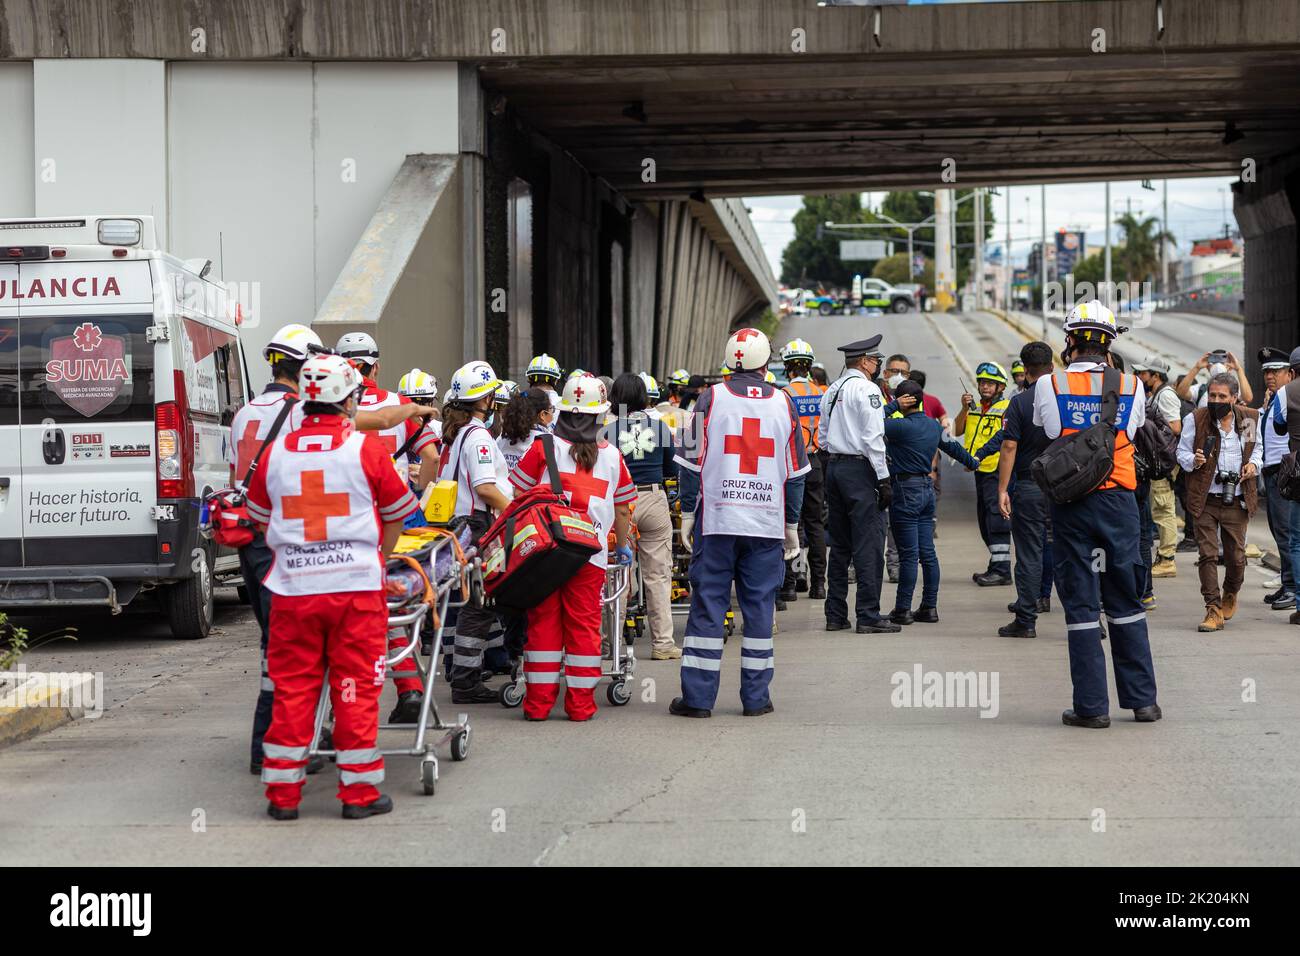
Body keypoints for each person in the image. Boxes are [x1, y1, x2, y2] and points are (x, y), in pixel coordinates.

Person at [232, 325, 436, 774]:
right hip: (352, 587)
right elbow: (397, 511)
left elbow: (261, 516)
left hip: (286, 578)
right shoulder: (359, 447)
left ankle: (279, 783)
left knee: (290, 679)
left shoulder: (265, 437)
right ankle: (358, 787)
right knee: (354, 685)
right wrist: (377, 557)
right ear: (347, 398)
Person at [1033, 299, 1161, 728]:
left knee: (1082, 602)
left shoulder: (1050, 384)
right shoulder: (1130, 385)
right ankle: (1143, 702)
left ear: (1069, 342)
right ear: (1108, 345)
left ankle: (1092, 708)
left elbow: (1051, 431)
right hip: (1119, 500)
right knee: (1126, 596)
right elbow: (1131, 429)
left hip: (1072, 502)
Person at [671, 328, 809, 717]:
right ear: (767, 364)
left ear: (730, 362)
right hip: (765, 524)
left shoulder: (709, 399)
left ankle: (697, 700)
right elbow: (795, 473)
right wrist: (791, 524)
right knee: (760, 608)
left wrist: (686, 512)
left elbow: (688, 463)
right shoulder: (784, 403)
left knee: (708, 606)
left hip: (716, 521)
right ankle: (756, 699)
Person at [510, 375, 635, 721]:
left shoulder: (542, 448)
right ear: (600, 416)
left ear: (562, 410)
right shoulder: (612, 457)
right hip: (590, 554)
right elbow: (624, 507)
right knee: (584, 626)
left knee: (543, 625)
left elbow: (515, 495)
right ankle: (580, 706)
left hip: (545, 554)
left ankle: (537, 706)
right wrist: (620, 547)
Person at [439, 360, 514, 703]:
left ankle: (463, 674)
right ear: (484, 400)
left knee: (470, 601)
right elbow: (485, 488)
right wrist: (516, 511)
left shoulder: (461, 434)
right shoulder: (480, 437)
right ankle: (466, 683)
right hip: (479, 526)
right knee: (478, 604)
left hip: (462, 527)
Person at [819, 335, 899, 633]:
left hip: (835, 467)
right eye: (876, 361)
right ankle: (868, 614)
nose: (878, 366)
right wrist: (883, 477)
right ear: (865, 361)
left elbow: (823, 435)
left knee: (839, 546)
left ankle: (835, 614)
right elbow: (873, 438)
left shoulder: (832, 389)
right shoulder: (867, 390)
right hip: (861, 471)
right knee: (869, 543)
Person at [883, 379, 978, 624]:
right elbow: (955, 449)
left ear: (904, 401)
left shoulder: (897, 427)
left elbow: (868, 424)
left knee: (908, 555)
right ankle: (929, 607)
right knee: (928, 554)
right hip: (927, 490)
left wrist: (892, 406)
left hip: (905, 490)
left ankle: (903, 610)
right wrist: (974, 463)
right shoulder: (934, 427)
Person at [1176, 372, 1261, 632]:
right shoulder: (1197, 418)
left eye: (1222, 396)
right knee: (1208, 555)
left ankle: (1231, 592)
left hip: (1237, 499)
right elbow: (1181, 451)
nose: (1215, 400)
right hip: (1205, 499)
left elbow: (1257, 449)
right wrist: (1194, 461)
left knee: (1236, 558)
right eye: (1212, 395)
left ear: (1234, 398)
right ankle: (1212, 608)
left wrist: (1253, 465)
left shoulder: (1248, 419)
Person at [605, 373, 680, 660]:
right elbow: (672, 469)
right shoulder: (659, 427)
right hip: (653, 498)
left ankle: (611, 645)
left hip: (620, 504)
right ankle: (662, 644)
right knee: (658, 575)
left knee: (618, 575)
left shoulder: (608, 432)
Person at [985, 341, 1055, 639]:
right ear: (1052, 367)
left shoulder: (1021, 402)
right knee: (1074, 551)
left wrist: (1003, 489)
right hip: (1067, 486)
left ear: (1025, 372)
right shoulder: (1065, 397)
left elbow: (1009, 445)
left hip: (1029, 486)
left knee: (1029, 554)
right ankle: (1092, 619)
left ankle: (1026, 620)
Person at [336, 333, 440, 490]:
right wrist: (421, 501)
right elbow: (432, 458)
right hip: (396, 501)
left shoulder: (330, 406)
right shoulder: (400, 404)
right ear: (376, 367)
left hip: (350, 500)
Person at [780, 338, 828, 601]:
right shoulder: (821, 393)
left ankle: (790, 584)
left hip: (792, 464)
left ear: (788, 368)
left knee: (789, 523)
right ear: (809, 366)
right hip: (816, 463)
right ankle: (819, 585)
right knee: (815, 524)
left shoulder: (784, 395)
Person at [956, 362, 1012, 586]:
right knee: (984, 520)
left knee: (996, 520)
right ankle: (996, 564)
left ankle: (1002, 571)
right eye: (982, 382)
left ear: (1000, 387)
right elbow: (957, 430)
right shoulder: (975, 408)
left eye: (990, 383)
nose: (985, 387)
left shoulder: (1007, 408)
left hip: (997, 470)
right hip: (980, 471)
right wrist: (964, 408)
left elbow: (1006, 440)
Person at [1132, 355, 1184, 581]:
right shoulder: (1156, 395)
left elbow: (1175, 427)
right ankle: (1163, 557)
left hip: (1163, 461)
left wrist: (1152, 432)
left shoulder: (1166, 396)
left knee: (1164, 509)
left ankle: (1167, 559)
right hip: (1157, 459)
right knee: (1158, 508)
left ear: (1155, 376)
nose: (1140, 376)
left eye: (1144, 373)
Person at [1257, 347, 1295, 609]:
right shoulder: (1273, 398)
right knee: (1279, 530)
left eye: (1276, 371)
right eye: (1267, 372)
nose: (1270, 376)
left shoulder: (1286, 395)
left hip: (1284, 470)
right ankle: (1288, 582)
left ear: (1289, 373)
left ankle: (1292, 587)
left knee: (1285, 532)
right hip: (1272, 470)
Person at [498, 388, 554, 471]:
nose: (552, 413)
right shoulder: (548, 442)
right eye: (551, 409)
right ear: (542, 415)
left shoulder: (502, 438)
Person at [1176, 350, 1254, 408]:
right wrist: (1197, 367)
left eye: (1222, 362)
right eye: (1214, 362)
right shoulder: (1201, 389)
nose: (1218, 365)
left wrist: (1239, 369)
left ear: (1229, 368)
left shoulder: (1234, 389)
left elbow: (1248, 398)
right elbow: (1181, 392)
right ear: (1208, 367)